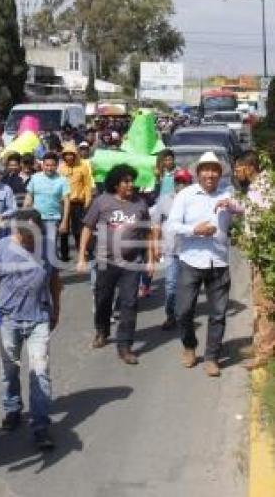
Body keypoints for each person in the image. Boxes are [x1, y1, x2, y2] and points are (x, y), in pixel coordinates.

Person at [0, 208, 60, 450]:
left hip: (39, 317)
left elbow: (55, 280)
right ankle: (12, 408)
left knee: (40, 371)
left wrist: (57, 310)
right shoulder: (1, 248)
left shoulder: (46, 247)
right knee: (10, 369)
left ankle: (41, 426)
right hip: (8, 319)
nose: (28, 240)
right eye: (24, 235)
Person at [168, 152, 243, 377]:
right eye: (205, 170)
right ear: (198, 173)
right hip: (190, 260)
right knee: (183, 311)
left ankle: (212, 357)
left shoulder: (228, 194)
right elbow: (171, 225)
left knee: (218, 314)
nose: (210, 174)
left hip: (218, 262)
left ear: (220, 174)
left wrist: (232, 206)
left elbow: (245, 210)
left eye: (214, 170)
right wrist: (194, 230)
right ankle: (189, 346)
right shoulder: (186, 195)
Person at [78, 164, 154, 365]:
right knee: (103, 300)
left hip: (131, 263)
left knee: (130, 303)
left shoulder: (140, 204)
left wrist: (151, 259)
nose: (130, 185)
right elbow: (87, 228)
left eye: (132, 181)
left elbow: (148, 232)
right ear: (115, 183)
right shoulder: (102, 202)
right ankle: (102, 331)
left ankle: (125, 346)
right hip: (105, 261)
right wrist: (81, 257)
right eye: (126, 181)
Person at [232, 151, 275, 370]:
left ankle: (265, 350)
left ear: (249, 167)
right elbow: (253, 209)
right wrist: (232, 205)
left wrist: (248, 238)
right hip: (257, 252)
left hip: (264, 252)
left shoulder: (266, 186)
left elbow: (265, 219)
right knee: (259, 300)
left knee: (264, 302)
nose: (236, 173)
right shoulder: (258, 185)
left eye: (238, 169)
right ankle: (259, 342)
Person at [151, 168, 193, 331]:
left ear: (190, 184)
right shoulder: (164, 200)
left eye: (184, 182)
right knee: (170, 284)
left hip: (190, 250)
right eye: (178, 182)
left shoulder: (194, 200)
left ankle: (185, 314)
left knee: (188, 285)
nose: (181, 185)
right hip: (170, 249)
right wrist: (155, 245)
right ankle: (171, 316)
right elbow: (156, 224)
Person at [24, 153, 71, 266]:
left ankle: (51, 276)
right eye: (47, 165)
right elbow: (29, 197)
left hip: (52, 219)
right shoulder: (35, 178)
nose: (49, 168)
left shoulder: (62, 180)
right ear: (43, 165)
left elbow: (67, 202)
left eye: (52, 165)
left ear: (57, 165)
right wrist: (25, 215)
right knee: (34, 248)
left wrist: (64, 222)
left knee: (50, 250)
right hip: (35, 219)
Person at [58, 142, 94, 263]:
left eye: (71, 154)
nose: (69, 156)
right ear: (63, 155)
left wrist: (88, 200)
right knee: (64, 229)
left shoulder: (82, 167)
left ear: (75, 154)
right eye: (66, 154)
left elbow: (87, 185)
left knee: (78, 230)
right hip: (63, 202)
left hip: (78, 202)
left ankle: (82, 252)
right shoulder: (61, 168)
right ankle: (64, 255)